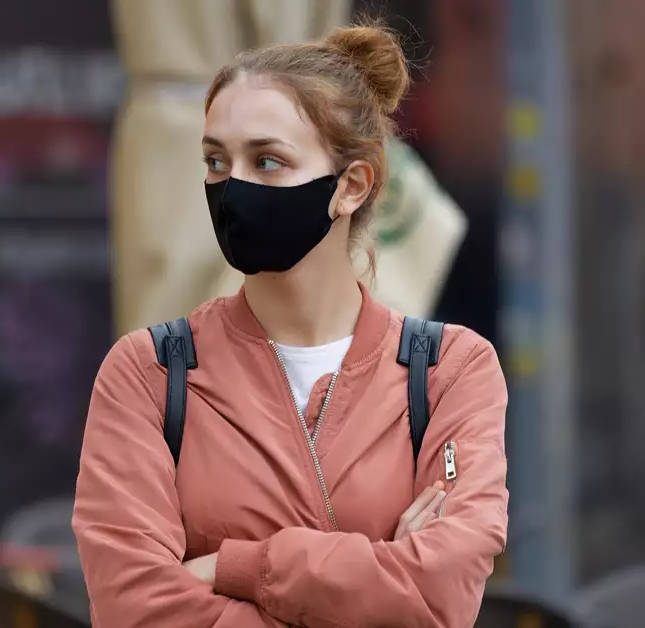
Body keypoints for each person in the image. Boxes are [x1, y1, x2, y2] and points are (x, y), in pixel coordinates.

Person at [73, 21, 508, 628]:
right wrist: (381, 577)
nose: (233, 186)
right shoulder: (148, 372)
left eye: (268, 161)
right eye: (216, 160)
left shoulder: (449, 370)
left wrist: (239, 567)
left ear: (351, 186)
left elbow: (443, 595)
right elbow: (132, 609)